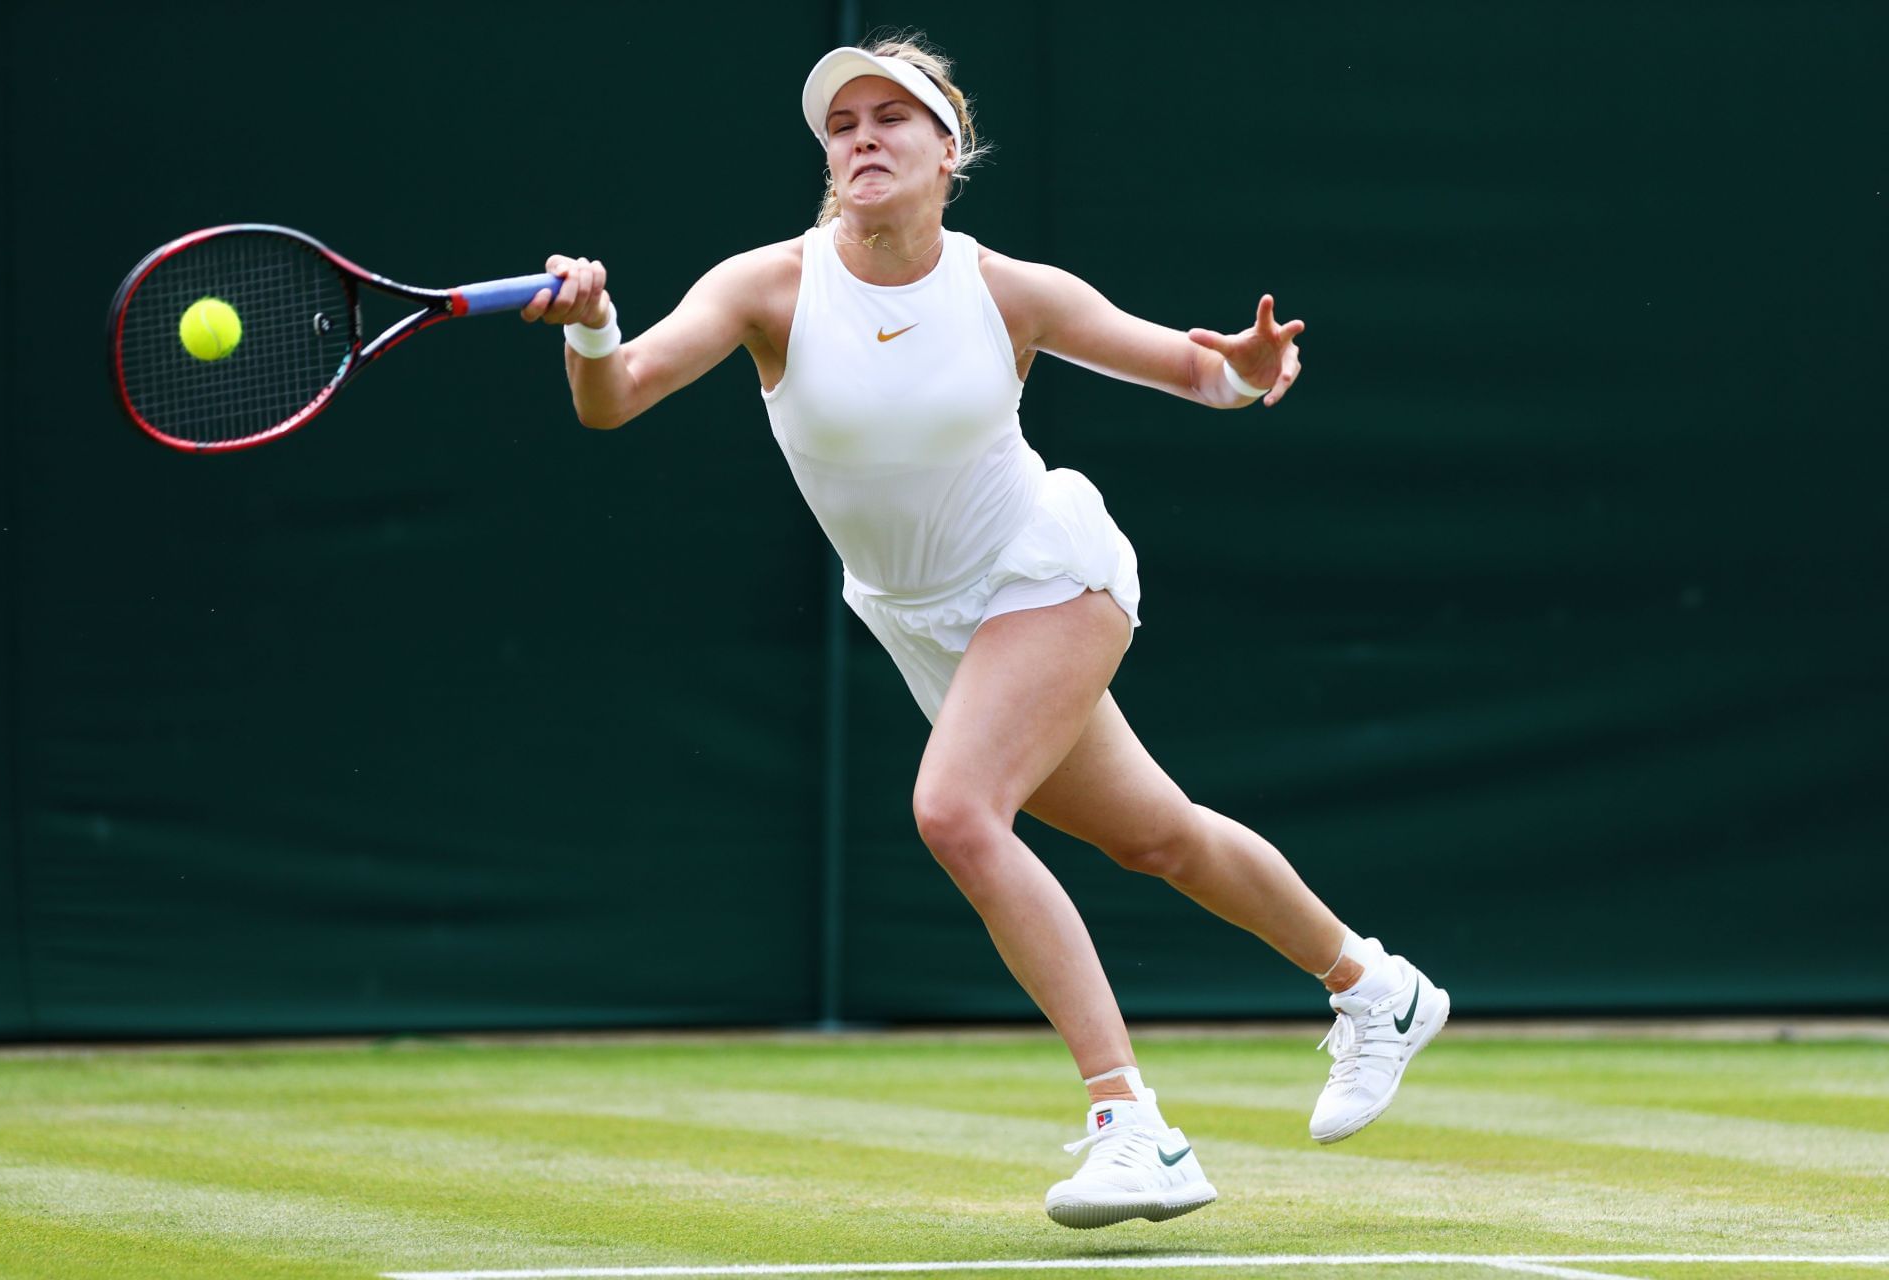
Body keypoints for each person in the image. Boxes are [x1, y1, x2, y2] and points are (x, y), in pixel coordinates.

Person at [520, 34, 1449, 1230]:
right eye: (841, 123)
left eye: (890, 118)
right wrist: (590, 324)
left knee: (956, 811)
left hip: (1045, 572)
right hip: (925, 624)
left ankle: (1135, 1128)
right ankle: (1375, 983)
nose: (861, 137)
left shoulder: (1009, 289)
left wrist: (1250, 370)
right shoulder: (766, 286)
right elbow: (618, 397)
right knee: (1160, 836)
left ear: (947, 149)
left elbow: (1195, 372)